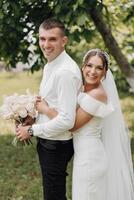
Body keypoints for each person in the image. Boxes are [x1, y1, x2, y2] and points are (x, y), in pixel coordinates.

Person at [35, 49, 134, 200]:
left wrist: (46, 109)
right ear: (83, 67)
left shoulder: (98, 94)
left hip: (90, 159)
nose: (92, 71)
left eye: (99, 68)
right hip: (83, 156)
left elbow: (72, 124)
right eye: (89, 65)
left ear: (105, 72)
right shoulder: (85, 89)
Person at [16, 18, 82, 200]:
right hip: (49, 141)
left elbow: (67, 120)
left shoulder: (65, 73)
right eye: (42, 38)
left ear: (64, 41)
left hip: (56, 144)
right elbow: (52, 105)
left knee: (54, 195)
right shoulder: (51, 65)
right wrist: (34, 118)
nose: (46, 44)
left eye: (52, 39)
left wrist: (31, 130)